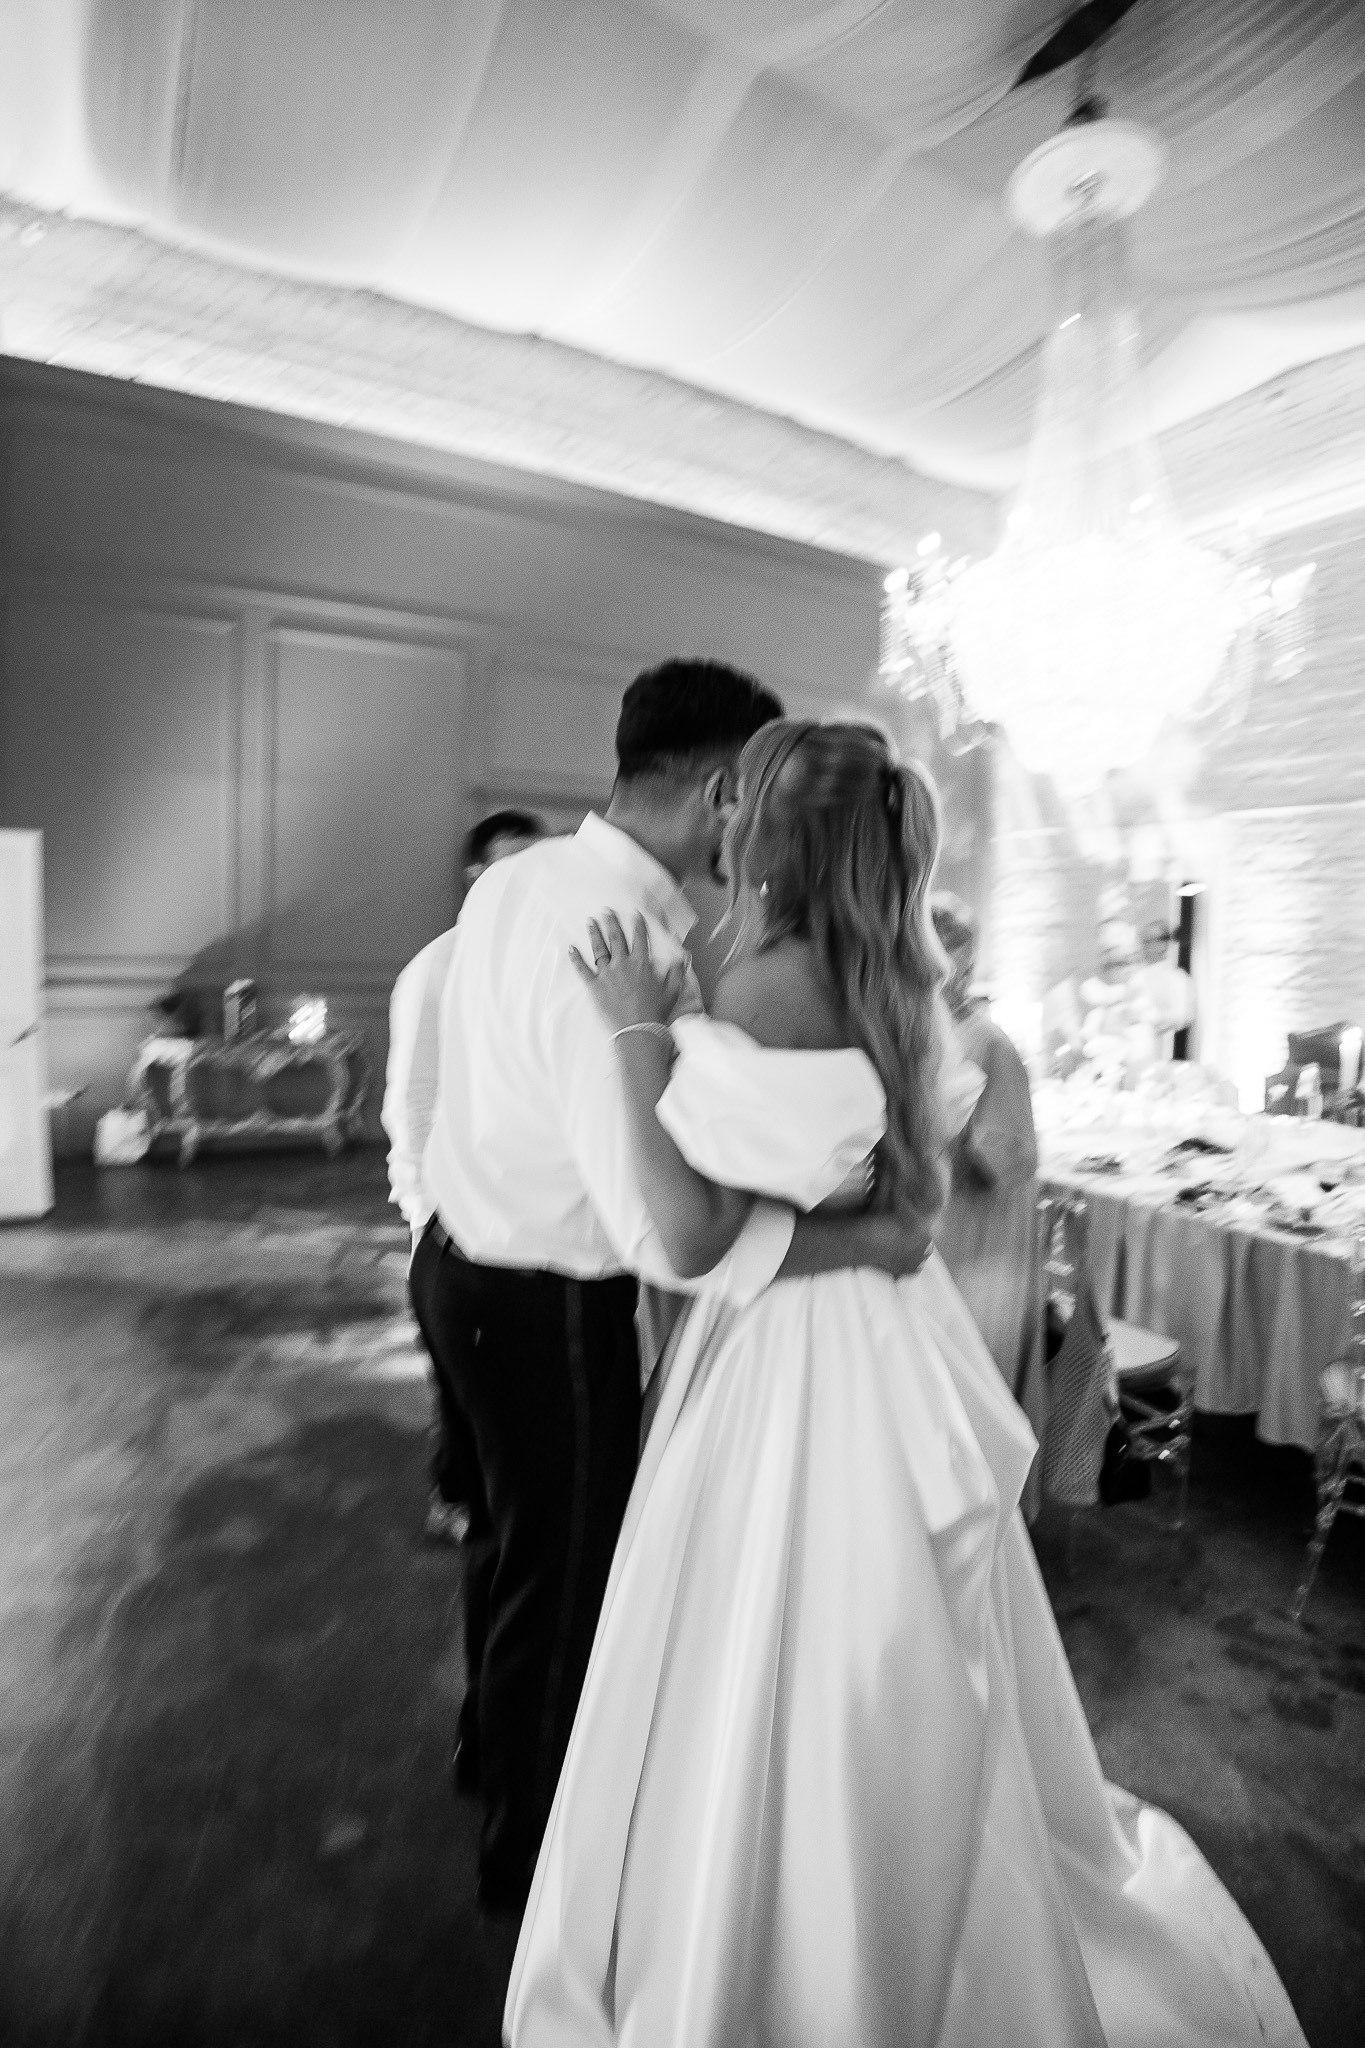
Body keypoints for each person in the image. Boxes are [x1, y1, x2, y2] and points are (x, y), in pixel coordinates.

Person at [506, 719, 1304, 2048]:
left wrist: (636, 1028)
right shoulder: (900, 982)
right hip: (895, 1346)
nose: (723, 818)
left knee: (771, 1643)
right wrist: (856, 1231)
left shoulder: (759, 988)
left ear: (771, 836)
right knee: (906, 1637)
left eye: (743, 801)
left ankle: (794, 1941)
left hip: (786, 1367)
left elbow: (693, 1235)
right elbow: (910, 1220)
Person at [410, 662, 934, 1915]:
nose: (746, 816)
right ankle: (535, 1860)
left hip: (456, 1263)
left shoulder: (517, 879)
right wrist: (860, 1244)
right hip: (551, 1301)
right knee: (564, 1578)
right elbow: (669, 1232)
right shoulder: (630, 941)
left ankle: (489, 1746)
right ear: (717, 791)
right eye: (744, 786)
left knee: (504, 1540)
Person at [382, 807, 545, 1546]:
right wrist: (425, 1214)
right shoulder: (436, 970)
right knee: (458, 1379)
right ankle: (455, 1493)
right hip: (449, 1219)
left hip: (520, 1216)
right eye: (509, 864)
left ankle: (497, 1498)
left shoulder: (542, 959)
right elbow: (411, 1103)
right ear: (474, 875)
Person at [932, 893, 1040, 1404]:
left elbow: (1009, 1163)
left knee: (972, 1390)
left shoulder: (989, 1045)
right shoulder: (930, 1032)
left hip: (980, 1251)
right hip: (939, 1240)